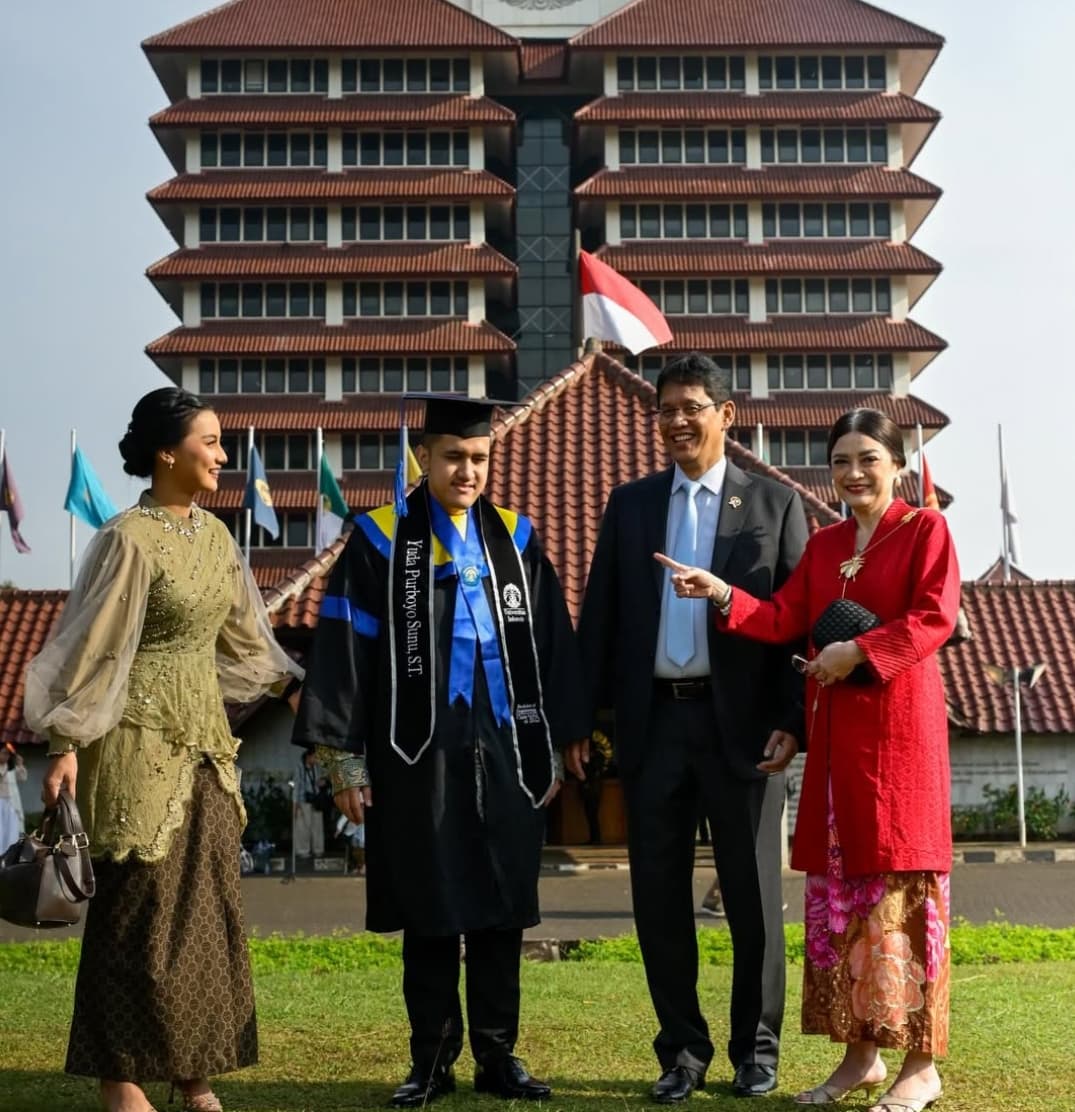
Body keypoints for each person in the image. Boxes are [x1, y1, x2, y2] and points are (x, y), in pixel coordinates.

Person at [659, 408, 959, 1112]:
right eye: (840, 461)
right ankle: (860, 1057)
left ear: (896, 465)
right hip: (835, 746)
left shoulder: (925, 530)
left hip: (901, 743)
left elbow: (933, 617)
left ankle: (920, 1066)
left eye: (868, 458)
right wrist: (721, 592)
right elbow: (782, 618)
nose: (853, 473)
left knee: (901, 894)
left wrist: (858, 651)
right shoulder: (825, 546)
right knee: (844, 900)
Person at [293, 395, 588, 1108]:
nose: (467, 471)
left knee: (502, 905)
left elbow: (551, 642)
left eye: (479, 458)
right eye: (453, 456)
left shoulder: (516, 538)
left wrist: (554, 740)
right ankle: (430, 1059)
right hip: (415, 750)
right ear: (423, 456)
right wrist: (342, 759)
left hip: (505, 746)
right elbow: (345, 651)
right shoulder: (379, 540)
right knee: (429, 904)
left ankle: (497, 1056)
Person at [24, 387, 302, 1112]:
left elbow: (246, 641)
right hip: (133, 739)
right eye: (209, 441)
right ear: (166, 452)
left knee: (206, 909)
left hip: (207, 741)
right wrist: (65, 743)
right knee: (137, 908)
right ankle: (119, 1076)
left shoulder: (217, 539)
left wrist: (297, 692)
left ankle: (190, 1071)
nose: (222, 455)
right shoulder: (127, 538)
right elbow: (91, 646)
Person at [574, 353, 808, 1102]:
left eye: (691, 407)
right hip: (654, 728)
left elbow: (797, 626)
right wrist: (581, 722)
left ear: (725, 415)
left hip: (743, 731)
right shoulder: (631, 505)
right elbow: (600, 618)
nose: (677, 421)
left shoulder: (774, 505)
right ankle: (680, 1050)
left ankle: (755, 1051)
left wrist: (793, 722)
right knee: (659, 900)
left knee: (752, 899)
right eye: (666, 409)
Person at [293, 746, 326, 860]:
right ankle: (303, 850)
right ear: (308, 756)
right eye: (315, 757)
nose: (316, 760)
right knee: (303, 827)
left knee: (317, 826)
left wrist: (321, 782)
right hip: (303, 800)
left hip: (316, 800)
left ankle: (318, 850)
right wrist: (295, 804)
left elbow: (319, 781)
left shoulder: (316, 768)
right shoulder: (299, 767)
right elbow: (296, 786)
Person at [0, 742, 27, 849]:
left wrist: (20, 764)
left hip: (11, 804)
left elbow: (23, 777)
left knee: (12, 831)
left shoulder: (12, 769)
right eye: (3, 753)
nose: (5, 756)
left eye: (7, 754)